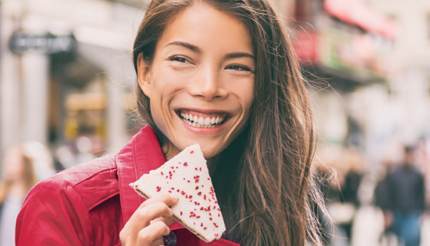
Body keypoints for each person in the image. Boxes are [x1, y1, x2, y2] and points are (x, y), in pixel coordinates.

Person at [16, 0, 325, 245]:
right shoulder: (65, 206)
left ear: (264, 86)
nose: (207, 87)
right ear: (145, 72)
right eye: (182, 59)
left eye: (237, 66)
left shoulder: (282, 201)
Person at [385, 145, 426, 246]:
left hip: (412, 213)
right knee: (400, 238)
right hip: (397, 212)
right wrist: (388, 212)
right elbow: (389, 194)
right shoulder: (394, 174)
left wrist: (422, 211)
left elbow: (421, 194)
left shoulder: (418, 175)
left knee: (411, 239)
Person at [0, 146, 37, 246]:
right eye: (7, 162)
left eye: (12, 163)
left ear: (25, 165)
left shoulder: (34, 195)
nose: (8, 166)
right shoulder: (2, 192)